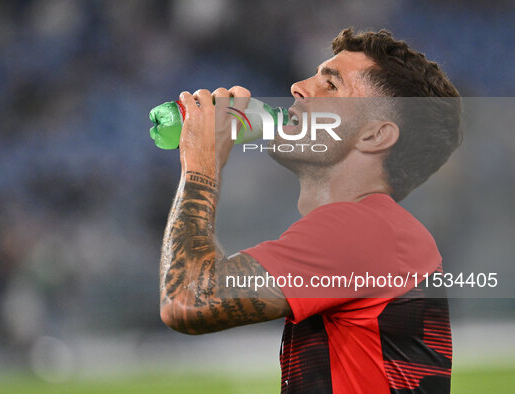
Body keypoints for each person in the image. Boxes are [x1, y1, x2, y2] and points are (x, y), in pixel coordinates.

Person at [159, 28, 461, 394]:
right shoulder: (379, 231)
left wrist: (201, 163)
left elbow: (188, 299)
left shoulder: (363, 230)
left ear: (374, 136)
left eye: (331, 86)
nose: (298, 87)